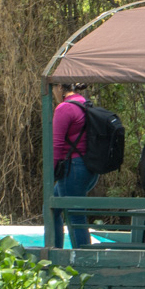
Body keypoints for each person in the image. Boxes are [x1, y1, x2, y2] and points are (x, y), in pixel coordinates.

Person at [51, 83, 98, 247]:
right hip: (89, 168)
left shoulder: (64, 108)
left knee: (75, 216)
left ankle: (82, 259)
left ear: (59, 87)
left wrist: (51, 173)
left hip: (73, 169)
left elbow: (56, 144)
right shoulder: (85, 103)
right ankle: (55, 251)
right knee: (52, 210)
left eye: (53, 89)